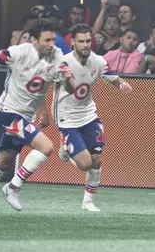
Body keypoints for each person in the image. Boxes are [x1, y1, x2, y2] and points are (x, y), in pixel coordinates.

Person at [55, 24, 133, 211]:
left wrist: (122, 84)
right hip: (67, 116)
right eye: (81, 41)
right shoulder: (63, 63)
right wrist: (66, 79)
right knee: (85, 164)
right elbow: (68, 89)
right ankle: (66, 145)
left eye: (88, 41)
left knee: (96, 160)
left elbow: (112, 76)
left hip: (88, 114)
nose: (85, 45)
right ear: (73, 42)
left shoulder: (97, 61)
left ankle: (88, 202)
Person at [0, 19, 65, 211]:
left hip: (25, 116)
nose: (52, 44)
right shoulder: (19, 52)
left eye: (53, 39)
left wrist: (43, 110)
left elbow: (42, 86)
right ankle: (13, 187)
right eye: (47, 40)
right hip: (8, 112)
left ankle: (8, 183)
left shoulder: (57, 56)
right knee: (46, 147)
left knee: (2, 166)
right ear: (34, 40)